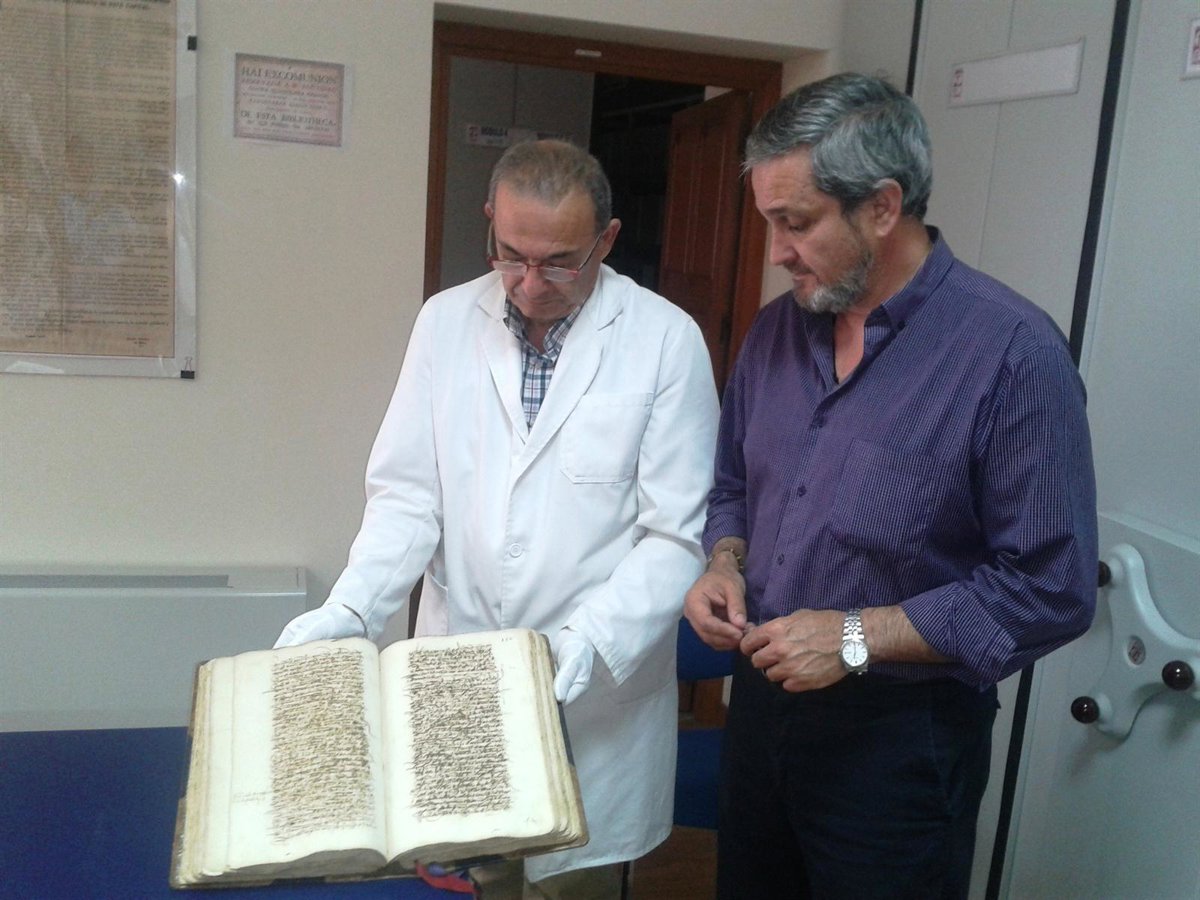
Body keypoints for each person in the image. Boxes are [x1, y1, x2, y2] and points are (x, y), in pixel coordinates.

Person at [684, 73, 1097, 900]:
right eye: (769, 221)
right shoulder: (776, 331)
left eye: (796, 223)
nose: (776, 252)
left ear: (881, 206)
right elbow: (733, 485)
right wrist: (724, 562)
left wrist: (853, 637)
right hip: (761, 709)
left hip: (901, 741)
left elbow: (1052, 586)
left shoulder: (1010, 354)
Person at [276, 139, 718, 899]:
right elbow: (408, 496)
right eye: (511, 256)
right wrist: (353, 607)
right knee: (472, 874)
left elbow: (676, 536)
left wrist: (591, 640)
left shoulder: (665, 340)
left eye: (560, 263)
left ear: (608, 239)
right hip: (460, 672)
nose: (530, 284)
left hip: (591, 693)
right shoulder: (445, 323)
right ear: (490, 220)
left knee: (566, 884)